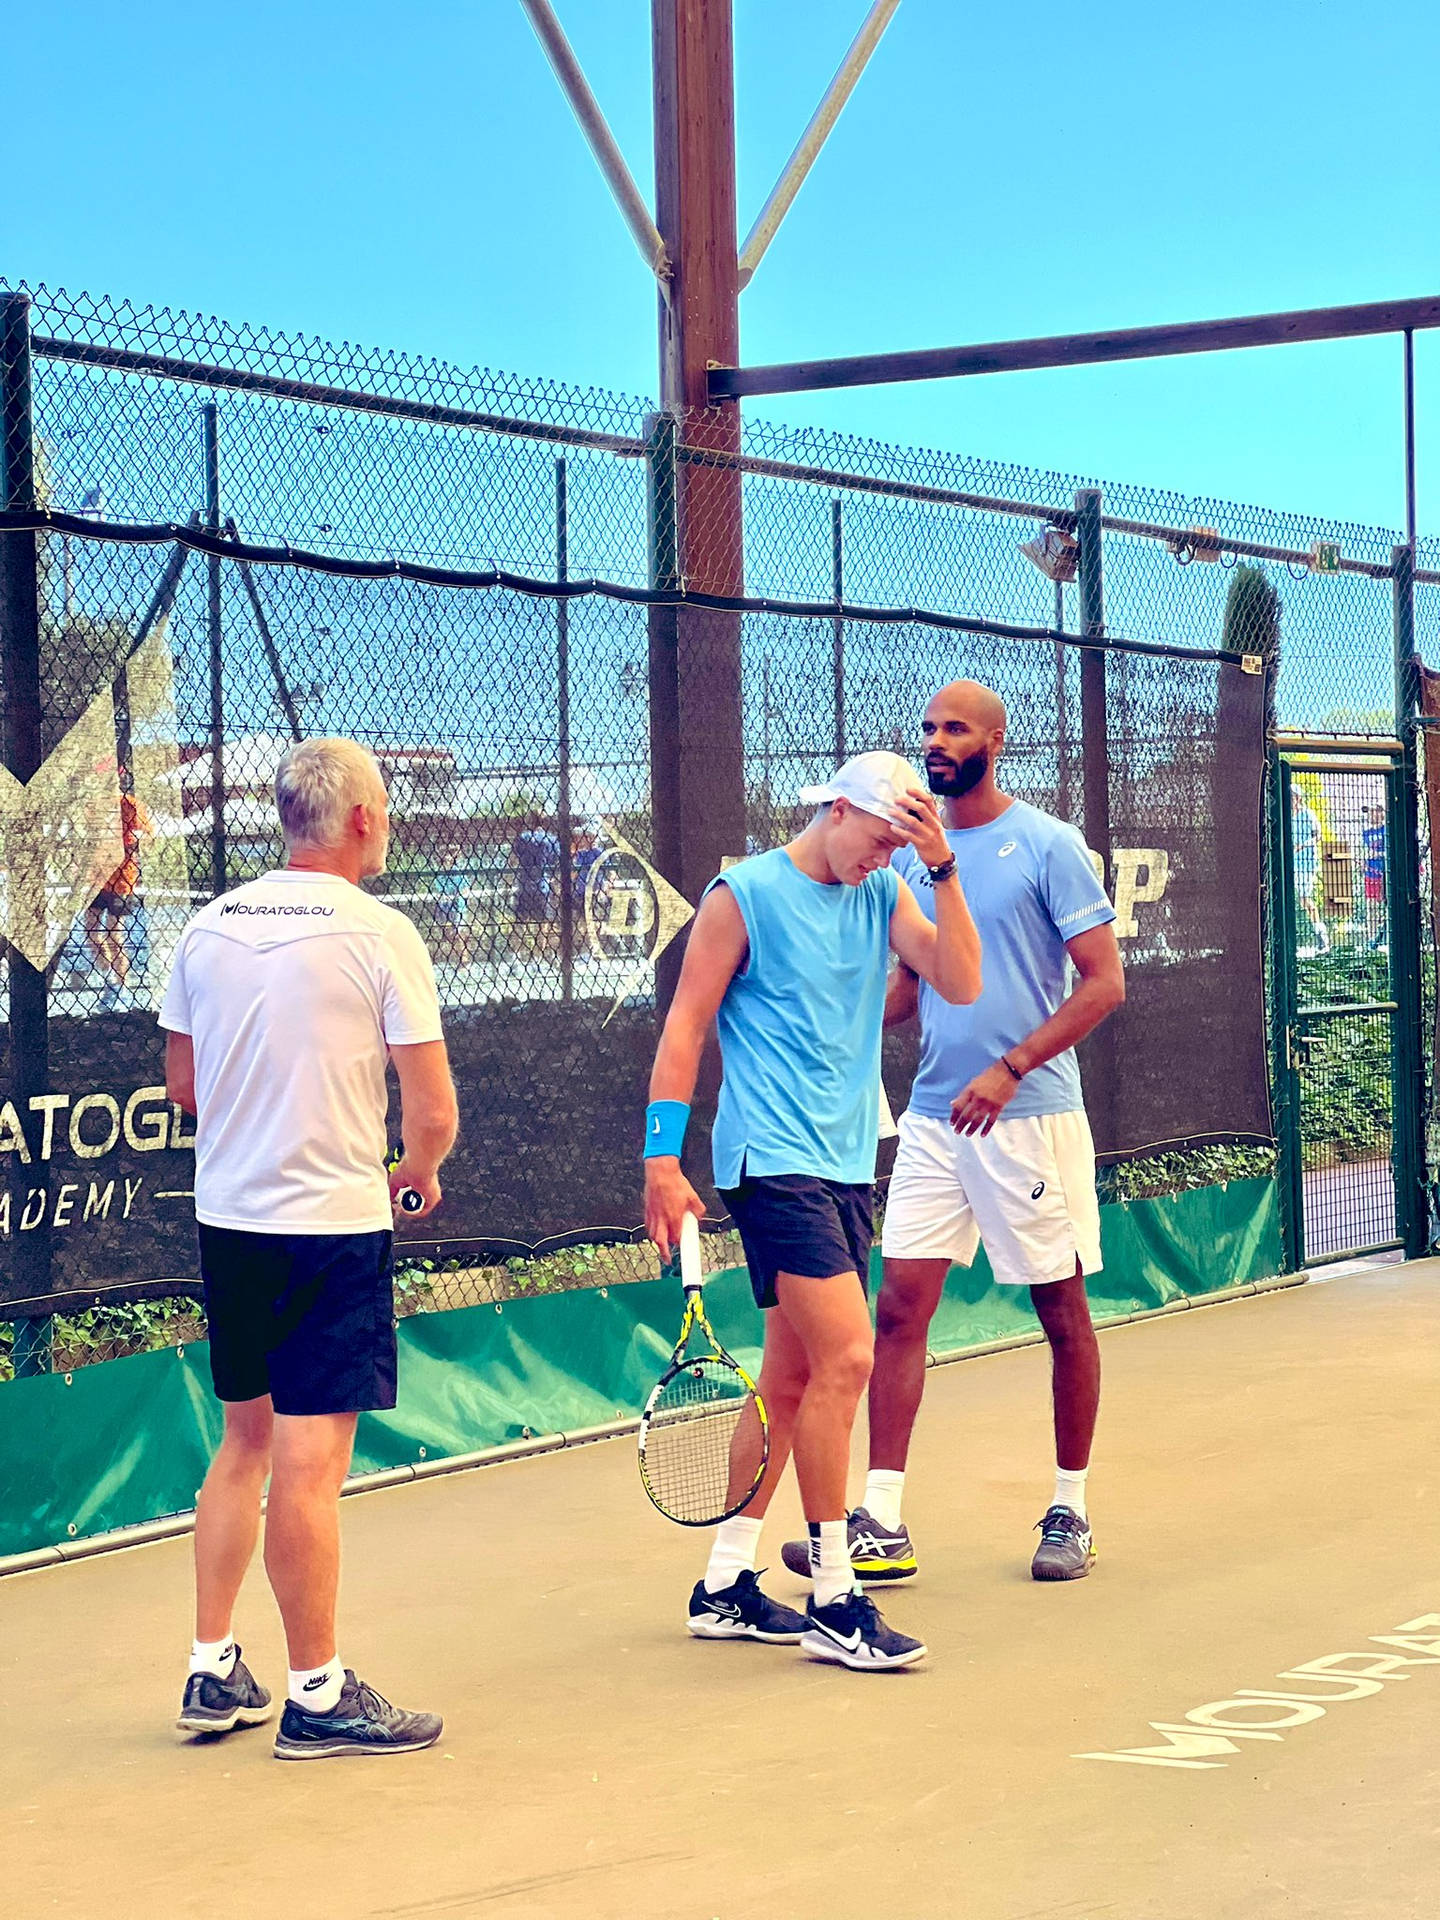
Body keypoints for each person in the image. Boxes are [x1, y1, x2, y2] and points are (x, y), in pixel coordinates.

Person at [644, 751, 982, 1670]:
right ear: (836, 810)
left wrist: (939, 869)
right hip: (769, 1163)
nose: (879, 860)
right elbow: (685, 1025)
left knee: (791, 1379)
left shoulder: (883, 895)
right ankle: (837, 1594)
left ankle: (722, 1583)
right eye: (875, 840)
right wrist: (660, 1159)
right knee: (849, 1355)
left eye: (894, 850)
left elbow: (959, 981)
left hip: (845, 1160)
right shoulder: (741, 896)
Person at [783, 681, 1124, 1587]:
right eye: (928, 728)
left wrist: (1009, 1069)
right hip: (935, 1119)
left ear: (994, 742)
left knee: (1060, 1311)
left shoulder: (1047, 846)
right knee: (897, 1311)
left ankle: (1070, 1508)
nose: (935, 742)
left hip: (1030, 1114)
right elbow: (908, 990)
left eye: (954, 729)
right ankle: (883, 1521)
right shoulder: (900, 860)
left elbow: (1102, 983)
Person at [161, 737, 459, 1760]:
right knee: (308, 1463)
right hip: (329, 1229)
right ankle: (319, 1695)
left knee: (244, 1444)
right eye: (388, 809)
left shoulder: (208, 925)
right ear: (365, 821)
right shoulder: (382, 932)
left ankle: (211, 1669)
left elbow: (186, 1087)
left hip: (230, 1225)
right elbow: (432, 1108)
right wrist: (418, 1167)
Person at [85, 767, 154, 1012]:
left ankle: (121, 984)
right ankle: (110, 977)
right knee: (91, 931)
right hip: (97, 877)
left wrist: (133, 841)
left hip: (122, 877)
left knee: (115, 932)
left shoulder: (129, 804)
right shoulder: (92, 806)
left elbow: (147, 836)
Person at [1292, 787, 1329, 956]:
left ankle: (1321, 935)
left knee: (1305, 900)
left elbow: (1318, 835)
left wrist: (1303, 845)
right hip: (1290, 864)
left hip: (1306, 863)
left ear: (1298, 798)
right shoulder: (1285, 816)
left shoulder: (1308, 815)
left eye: (1293, 796)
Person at [1361, 804, 1387, 950]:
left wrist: (1378, 854)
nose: (1369, 815)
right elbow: (1364, 851)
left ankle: (1384, 935)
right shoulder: (1365, 833)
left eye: (1372, 811)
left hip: (1385, 872)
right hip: (1370, 873)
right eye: (1368, 812)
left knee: (1386, 904)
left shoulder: (1387, 830)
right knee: (1371, 906)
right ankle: (1371, 939)